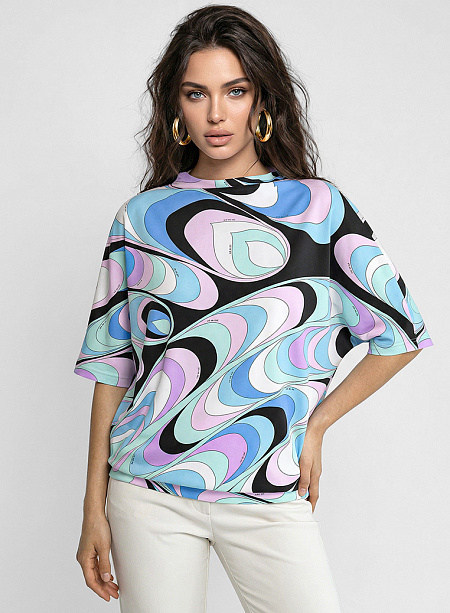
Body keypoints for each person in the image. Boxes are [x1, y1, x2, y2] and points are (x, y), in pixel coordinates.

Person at [74, 5, 433, 612]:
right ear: (175, 107)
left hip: (268, 488)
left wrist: (316, 425)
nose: (216, 114)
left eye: (235, 91)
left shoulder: (318, 210)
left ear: (262, 99)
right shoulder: (141, 219)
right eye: (196, 94)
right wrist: (93, 507)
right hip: (147, 489)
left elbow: (400, 335)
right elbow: (111, 369)